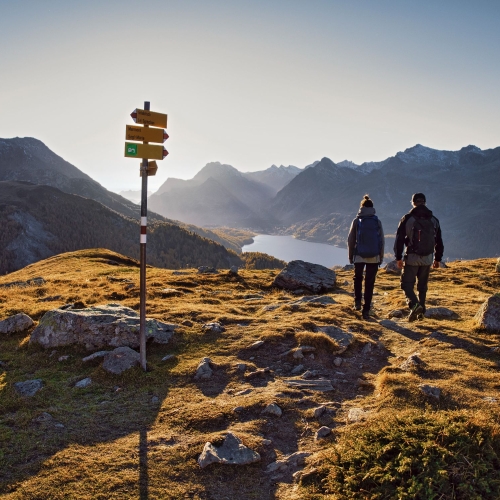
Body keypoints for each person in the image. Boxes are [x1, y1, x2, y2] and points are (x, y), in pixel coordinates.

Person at [394, 193, 444, 321]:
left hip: (412, 258)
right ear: (425, 202)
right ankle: (421, 312)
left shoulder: (408, 219)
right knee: (422, 286)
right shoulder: (434, 220)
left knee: (406, 285)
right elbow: (439, 241)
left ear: (413, 202)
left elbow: (399, 239)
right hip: (427, 258)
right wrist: (437, 259)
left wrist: (398, 257)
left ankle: (415, 305)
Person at [348, 195, 385, 320]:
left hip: (359, 255)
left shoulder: (356, 221)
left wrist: (350, 256)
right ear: (372, 208)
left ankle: (357, 302)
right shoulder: (377, 221)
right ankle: (366, 309)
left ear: (361, 207)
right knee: (370, 283)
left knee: (357, 278)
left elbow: (351, 240)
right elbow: (382, 241)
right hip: (374, 256)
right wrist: (380, 257)